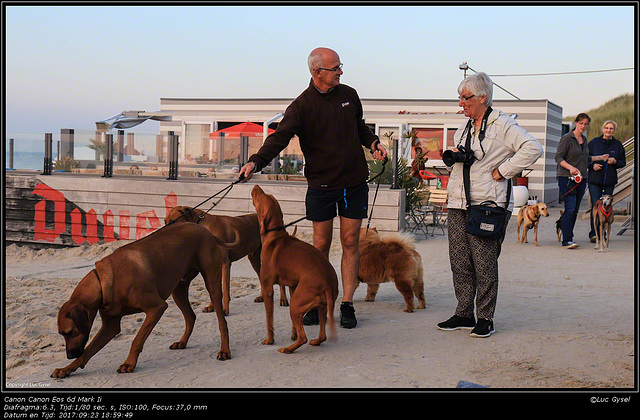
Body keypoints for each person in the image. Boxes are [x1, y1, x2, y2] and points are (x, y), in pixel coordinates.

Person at [238, 47, 388, 329]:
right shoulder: (301, 106)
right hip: (321, 185)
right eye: (335, 68)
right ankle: (319, 300)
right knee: (320, 244)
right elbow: (279, 138)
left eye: (340, 66)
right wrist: (255, 162)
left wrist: (373, 142)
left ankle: (346, 303)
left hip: (354, 182)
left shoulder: (349, 95)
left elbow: (360, 127)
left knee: (350, 242)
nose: (341, 72)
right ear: (317, 72)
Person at [437, 72, 543, 338]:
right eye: (459, 98)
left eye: (466, 98)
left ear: (483, 97)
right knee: (459, 261)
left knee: (484, 262)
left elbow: (533, 148)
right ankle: (463, 313)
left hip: (488, 205)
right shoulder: (463, 127)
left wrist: (504, 170)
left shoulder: (503, 124)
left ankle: (485, 317)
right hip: (460, 202)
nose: (461, 103)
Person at [555, 113, 608, 249]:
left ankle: (568, 236)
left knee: (575, 210)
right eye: (581, 123)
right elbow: (559, 158)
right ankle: (567, 240)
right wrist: (571, 168)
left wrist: (600, 157)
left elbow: (586, 158)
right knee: (570, 208)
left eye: (586, 124)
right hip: (566, 179)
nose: (583, 126)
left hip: (582, 179)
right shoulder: (567, 139)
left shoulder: (584, 140)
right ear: (576, 123)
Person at [587, 120, 626, 242]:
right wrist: (592, 165)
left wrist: (615, 162)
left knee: (607, 207)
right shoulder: (594, 143)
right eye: (607, 128)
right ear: (603, 129)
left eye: (611, 128)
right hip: (594, 180)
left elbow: (623, 162)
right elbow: (584, 158)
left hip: (609, 181)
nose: (609, 130)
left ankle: (603, 233)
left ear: (614, 130)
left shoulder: (618, 145)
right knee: (596, 205)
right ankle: (594, 233)